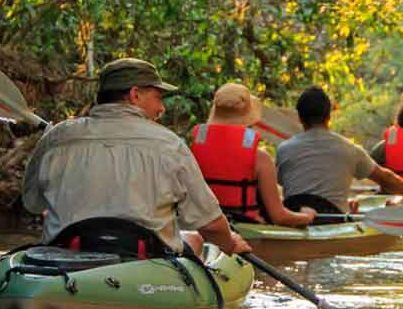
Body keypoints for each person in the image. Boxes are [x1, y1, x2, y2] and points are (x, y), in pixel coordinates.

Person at [22, 58, 250, 258]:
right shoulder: (169, 145)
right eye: (158, 97)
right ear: (135, 94)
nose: (161, 108)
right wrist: (229, 243)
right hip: (142, 261)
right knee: (194, 238)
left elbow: (33, 203)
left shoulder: (58, 137)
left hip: (65, 255)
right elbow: (210, 224)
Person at [275, 86, 403, 215]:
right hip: (332, 221)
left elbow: (283, 182)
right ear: (329, 116)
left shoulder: (284, 149)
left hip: (294, 218)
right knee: (396, 202)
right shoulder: (350, 149)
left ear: (300, 118)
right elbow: (386, 179)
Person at [189, 83, 316, 227]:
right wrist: (307, 216)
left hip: (206, 228)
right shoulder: (260, 159)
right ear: (249, 118)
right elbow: (279, 217)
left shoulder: (192, 151)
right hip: (246, 231)